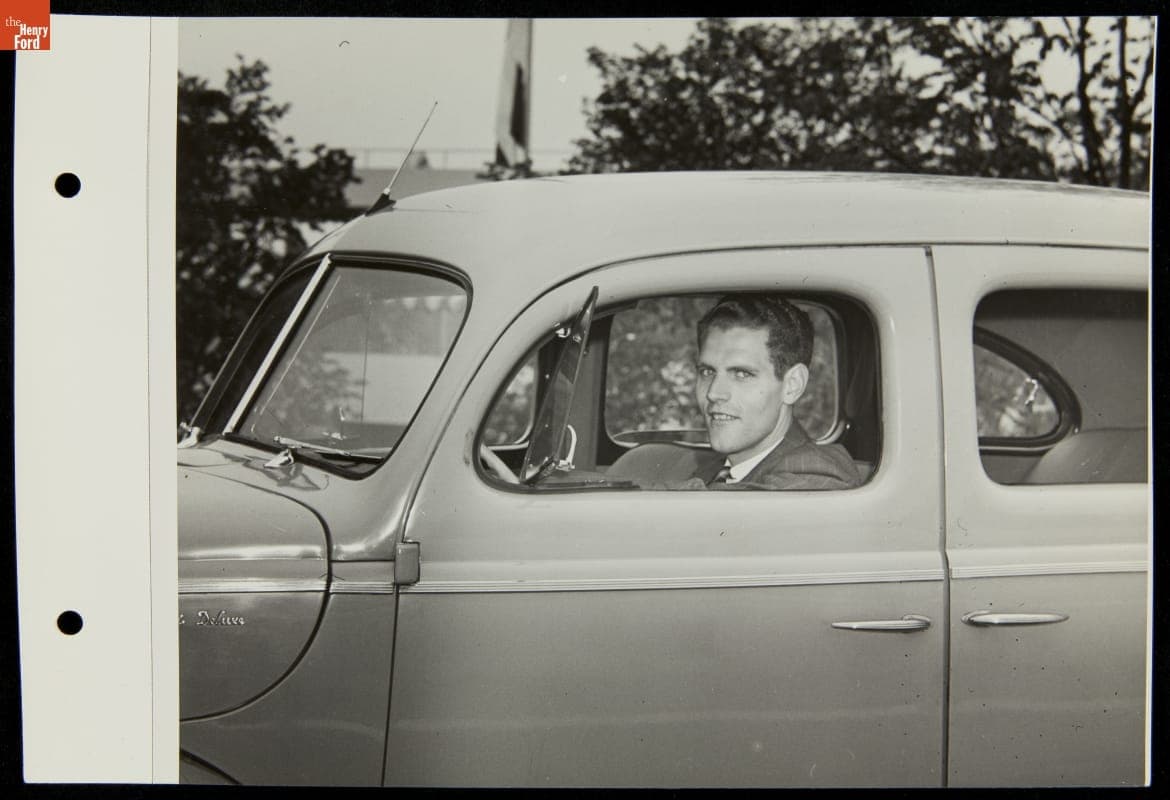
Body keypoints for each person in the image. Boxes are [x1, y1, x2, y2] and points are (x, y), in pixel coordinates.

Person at [683, 294, 861, 491]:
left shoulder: (816, 475)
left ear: (792, 385)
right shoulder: (710, 469)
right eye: (707, 372)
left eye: (742, 374)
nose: (714, 393)